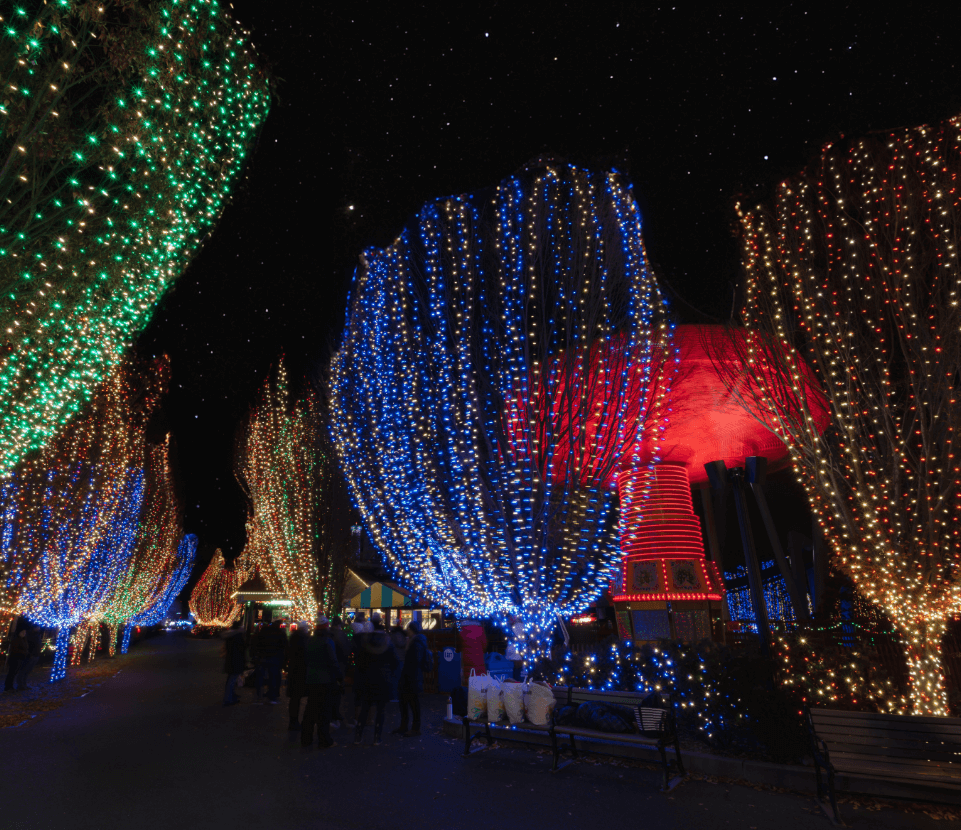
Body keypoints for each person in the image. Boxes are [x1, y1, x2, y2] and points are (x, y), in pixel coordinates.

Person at [353, 615, 397, 746]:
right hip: (383, 680)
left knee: (365, 708)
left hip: (367, 679)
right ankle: (377, 737)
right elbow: (394, 663)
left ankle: (358, 735)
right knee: (381, 710)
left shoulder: (365, 642)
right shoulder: (387, 642)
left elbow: (359, 662)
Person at [302, 615, 343, 749]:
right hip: (325, 679)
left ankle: (306, 738)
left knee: (310, 708)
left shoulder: (310, 641)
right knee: (324, 710)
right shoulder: (327, 641)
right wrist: (339, 676)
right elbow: (333, 661)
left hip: (311, 678)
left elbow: (306, 659)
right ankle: (324, 739)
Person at [394, 619, 430, 736]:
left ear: (411, 630)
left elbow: (414, 661)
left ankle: (413, 727)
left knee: (411, 703)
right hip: (413, 677)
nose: (407, 631)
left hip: (412, 677)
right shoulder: (417, 641)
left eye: (408, 629)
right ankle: (408, 726)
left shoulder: (416, 643)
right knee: (409, 702)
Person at [286, 620, 309, 730]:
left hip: (293, 669)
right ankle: (295, 721)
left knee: (294, 698)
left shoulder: (293, 637)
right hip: (300, 671)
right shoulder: (304, 638)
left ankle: (293, 720)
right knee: (297, 697)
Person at [259, 619, 287, 704]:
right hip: (276, 657)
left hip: (265, 656)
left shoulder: (266, 632)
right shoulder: (280, 633)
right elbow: (284, 645)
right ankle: (273, 697)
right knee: (274, 677)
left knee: (264, 676)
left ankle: (260, 696)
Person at [329, 616, 349, 728]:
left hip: (329, 668)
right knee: (337, 693)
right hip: (339, 666)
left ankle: (331, 716)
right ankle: (335, 715)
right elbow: (346, 650)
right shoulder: (341, 635)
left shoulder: (328, 634)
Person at [222, 621, 246, 706]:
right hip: (236, 660)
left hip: (230, 660)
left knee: (230, 679)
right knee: (232, 680)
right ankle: (228, 699)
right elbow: (241, 649)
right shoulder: (237, 636)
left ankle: (230, 696)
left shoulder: (230, 636)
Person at [14, 621, 42, 691]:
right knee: (24, 670)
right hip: (31, 655)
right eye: (38, 627)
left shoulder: (36, 635)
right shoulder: (30, 635)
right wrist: (30, 653)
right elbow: (28, 645)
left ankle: (24, 684)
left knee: (28, 670)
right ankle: (21, 684)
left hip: (35, 655)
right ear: (35, 628)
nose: (39, 628)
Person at [4, 618, 29, 692]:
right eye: (23, 632)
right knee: (11, 673)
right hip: (15, 658)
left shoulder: (23, 639)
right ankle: (8, 687)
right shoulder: (16, 639)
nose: (24, 633)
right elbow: (15, 649)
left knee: (14, 673)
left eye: (25, 632)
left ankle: (10, 686)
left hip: (20, 658)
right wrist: (23, 652)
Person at [389, 624, 407, 703]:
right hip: (400, 658)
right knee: (397, 677)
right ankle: (396, 696)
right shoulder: (400, 635)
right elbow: (401, 644)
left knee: (395, 678)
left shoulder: (394, 635)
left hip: (397, 658)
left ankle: (394, 696)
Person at [505, 615, 526, 681]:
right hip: (515, 658)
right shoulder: (519, 626)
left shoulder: (517, 626)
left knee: (516, 681)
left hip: (515, 659)